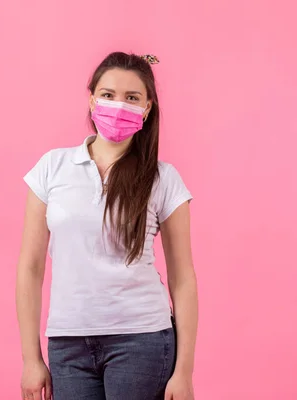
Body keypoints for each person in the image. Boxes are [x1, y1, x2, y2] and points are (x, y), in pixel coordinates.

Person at [16, 51, 198, 400]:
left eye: (132, 98)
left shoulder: (163, 178)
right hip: (68, 344)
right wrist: (30, 358)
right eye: (108, 95)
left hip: (142, 339)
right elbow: (30, 267)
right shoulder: (52, 168)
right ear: (91, 99)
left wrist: (184, 370)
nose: (119, 105)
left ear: (147, 109)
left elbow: (183, 277)